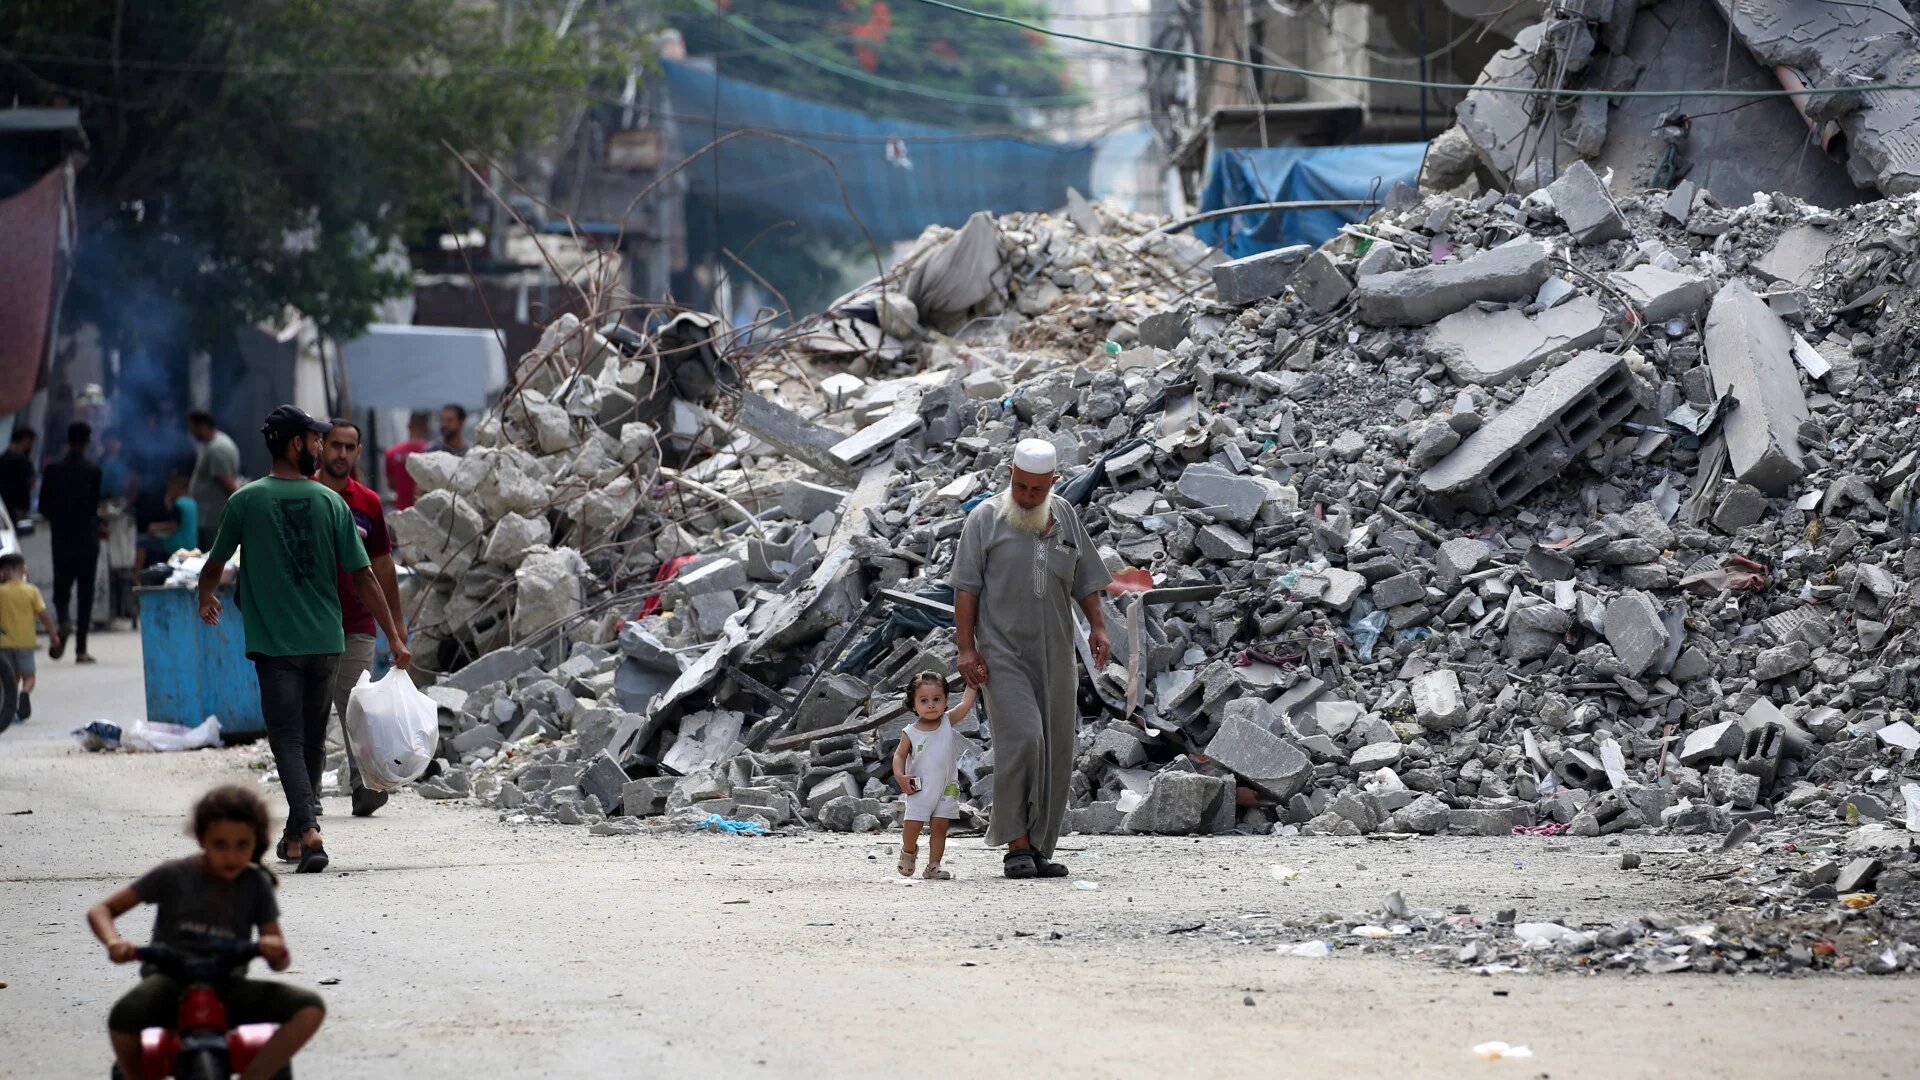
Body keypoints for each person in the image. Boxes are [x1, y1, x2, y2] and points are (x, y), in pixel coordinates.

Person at [197, 405, 412, 874]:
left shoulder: (246, 501)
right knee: (311, 739)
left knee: (287, 736)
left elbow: (214, 564)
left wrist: (205, 595)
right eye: (315, 440)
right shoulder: (331, 503)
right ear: (296, 444)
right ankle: (296, 836)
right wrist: (394, 635)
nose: (321, 447)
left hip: (277, 644)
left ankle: (311, 830)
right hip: (326, 640)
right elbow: (364, 577)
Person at [951, 438, 1111, 880]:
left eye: (1035, 490)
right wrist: (966, 649)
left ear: (1052, 483)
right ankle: (1016, 845)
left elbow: (1086, 579)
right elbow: (965, 590)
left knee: (1057, 747)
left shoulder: (1065, 518)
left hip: (1057, 652)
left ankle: (1039, 847)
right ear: (1010, 477)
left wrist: (1098, 627)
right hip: (1002, 653)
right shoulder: (984, 520)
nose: (1026, 497)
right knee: (1023, 739)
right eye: (1020, 487)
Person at [88, 784, 326, 1080]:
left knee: (310, 1008)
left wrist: (274, 950)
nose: (231, 855)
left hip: (228, 984)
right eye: (220, 844)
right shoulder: (174, 875)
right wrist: (114, 943)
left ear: (256, 842)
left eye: (242, 845)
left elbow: (280, 959)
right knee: (123, 1017)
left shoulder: (256, 885)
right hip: (170, 982)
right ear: (202, 840)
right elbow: (101, 911)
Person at [315, 419, 407, 817]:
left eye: (349, 447)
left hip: (357, 623)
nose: (341, 454)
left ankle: (364, 785)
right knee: (312, 712)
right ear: (320, 447)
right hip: (311, 623)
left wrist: (396, 626)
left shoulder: (368, 503)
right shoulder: (306, 495)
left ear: (358, 451)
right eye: (335, 445)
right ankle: (307, 794)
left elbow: (382, 566)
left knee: (356, 707)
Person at [892, 671, 976, 881]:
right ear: (913, 704)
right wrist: (900, 776)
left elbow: (965, 705)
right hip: (919, 788)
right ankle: (909, 851)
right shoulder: (910, 732)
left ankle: (933, 865)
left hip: (946, 787)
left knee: (940, 826)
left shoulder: (947, 721)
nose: (931, 705)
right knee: (913, 824)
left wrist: (973, 683)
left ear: (946, 700)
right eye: (924, 700)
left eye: (937, 699)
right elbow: (899, 755)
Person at [38, 421, 103, 664]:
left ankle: (64, 619)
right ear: (87, 441)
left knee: (61, 590)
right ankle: (81, 650)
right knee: (86, 592)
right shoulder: (93, 471)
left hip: (62, 538)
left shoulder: (53, 471)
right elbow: (93, 507)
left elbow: (43, 507)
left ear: (68, 440)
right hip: (87, 538)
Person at [0, 552, 59, 723]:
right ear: (24, 570)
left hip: (4, 644)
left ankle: (7, 709)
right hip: (25, 642)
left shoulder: (1, 592)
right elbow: (43, 615)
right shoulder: (31, 591)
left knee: (8, 679)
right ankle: (25, 692)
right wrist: (53, 634)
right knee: (29, 677)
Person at [188, 409, 243, 548]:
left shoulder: (218, 448)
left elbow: (228, 483)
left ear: (202, 426)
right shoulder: (213, 445)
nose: (191, 433)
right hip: (207, 518)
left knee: (211, 560)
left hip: (212, 519)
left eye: (193, 429)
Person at [137, 473, 199, 567]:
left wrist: (154, 527)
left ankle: (136, 576)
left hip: (177, 543)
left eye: (170, 487)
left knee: (141, 542)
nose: (168, 490)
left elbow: (173, 526)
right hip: (191, 543)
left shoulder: (179, 503)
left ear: (176, 487)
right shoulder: (192, 502)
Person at [383, 409, 432, 510]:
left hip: (401, 512)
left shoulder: (392, 452)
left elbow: (392, 484)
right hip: (425, 513)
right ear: (426, 428)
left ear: (408, 426)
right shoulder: (431, 453)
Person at [0, 425, 36, 522]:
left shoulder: (3, 457)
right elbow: (31, 482)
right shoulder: (24, 461)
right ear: (25, 440)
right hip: (17, 509)